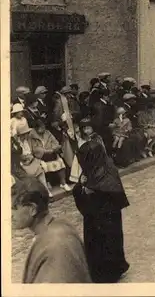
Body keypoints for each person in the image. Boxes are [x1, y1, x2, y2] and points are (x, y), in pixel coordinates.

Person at [12, 177, 91, 283]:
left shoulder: (56, 243)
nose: (9, 215)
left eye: (14, 208)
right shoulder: (58, 227)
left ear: (32, 209)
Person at [72, 140, 130, 283]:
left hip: (108, 216)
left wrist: (90, 190)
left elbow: (111, 190)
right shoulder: (91, 169)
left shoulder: (108, 169)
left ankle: (111, 272)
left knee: (110, 243)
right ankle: (98, 270)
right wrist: (81, 188)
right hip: (94, 216)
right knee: (96, 243)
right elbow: (82, 188)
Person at [30, 119, 72, 192]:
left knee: (60, 161)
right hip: (41, 156)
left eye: (44, 126)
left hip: (51, 154)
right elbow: (35, 149)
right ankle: (47, 185)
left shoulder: (47, 132)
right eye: (41, 127)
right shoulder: (32, 136)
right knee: (43, 166)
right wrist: (48, 151)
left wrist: (53, 149)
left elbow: (55, 142)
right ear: (36, 128)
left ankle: (63, 183)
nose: (44, 129)